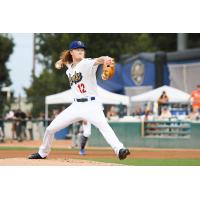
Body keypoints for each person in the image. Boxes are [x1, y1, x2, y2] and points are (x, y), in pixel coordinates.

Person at [28, 40, 130, 160]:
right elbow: (61, 62)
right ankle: (42, 153)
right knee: (50, 129)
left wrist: (106, 58)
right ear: (71, 52)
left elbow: (98, 60)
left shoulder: (86, 63)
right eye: (78, 49)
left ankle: (120, 150)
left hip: (92, 105)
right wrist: (59, 63)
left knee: (104, 126)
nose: (81, 51)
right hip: (76, 106)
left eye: (82, 49)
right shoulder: (69, 65)